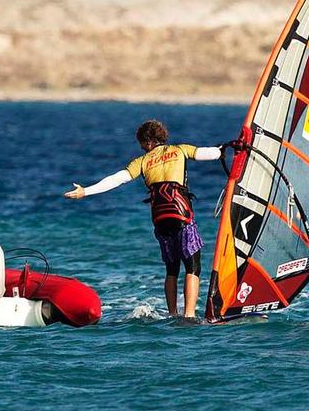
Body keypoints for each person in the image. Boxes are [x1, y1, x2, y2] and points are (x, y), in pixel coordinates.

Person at [65, 119, 223, 319]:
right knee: (193, 266)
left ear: (148, 142)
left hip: (160, 219)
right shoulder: (180, 150)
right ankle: (189, 315)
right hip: (182, 215)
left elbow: (115, 179)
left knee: (171, 269)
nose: (141, 147)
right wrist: (226, 148)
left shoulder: (141, 161)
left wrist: (85, 192)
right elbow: (210, 153)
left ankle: (173, 314)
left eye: (141, 143)